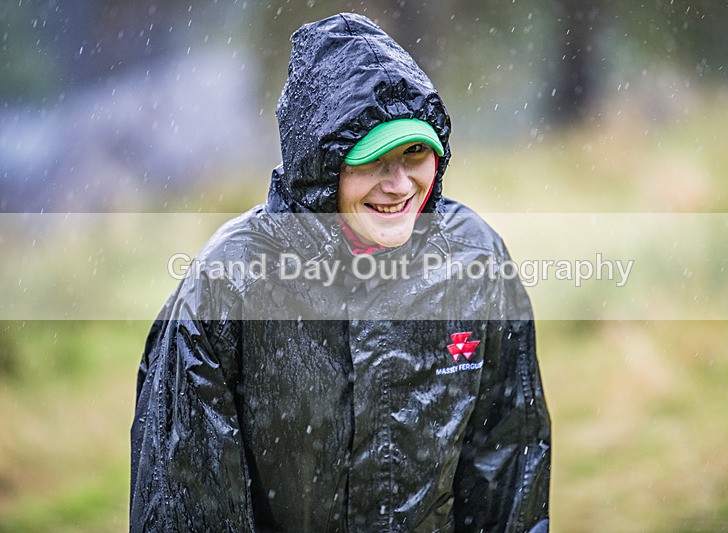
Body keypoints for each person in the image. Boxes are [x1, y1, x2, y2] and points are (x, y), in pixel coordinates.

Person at [130, 12, 550, 532]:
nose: (399, 185)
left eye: (416, 152)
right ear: (321, 168)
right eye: (373, 159)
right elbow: (186, 504)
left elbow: (508, 470)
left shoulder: (474, 260)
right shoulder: (230, 286)